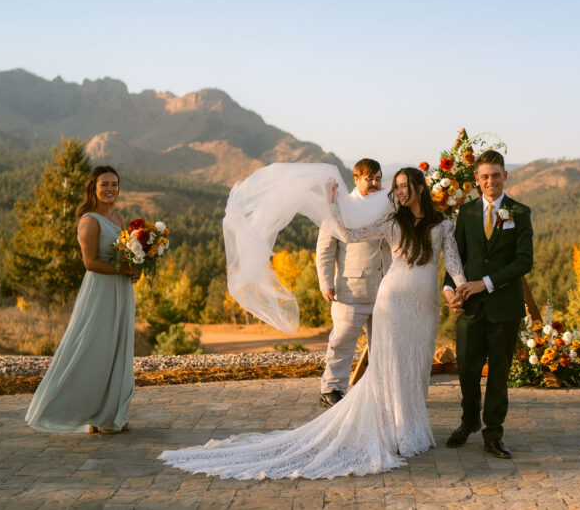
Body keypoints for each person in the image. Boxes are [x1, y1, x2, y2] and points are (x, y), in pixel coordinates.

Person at [159, 166, 468, 479]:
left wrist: (461, 290)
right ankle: (396, 431)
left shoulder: (442, 224)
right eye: (397, 187)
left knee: (416, 364)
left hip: (425, 306)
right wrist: (332, 205)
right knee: (390, 365)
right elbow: (349, 234)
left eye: (405, 186)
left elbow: (454, 263)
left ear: (420, 187)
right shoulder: (391, 220)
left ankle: (414, 426)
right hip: (393, 301)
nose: (400, 192)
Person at [26, 166, 141, 434]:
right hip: (100, 291)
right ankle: (74, 410)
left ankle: (108, 415)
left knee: (116, 349)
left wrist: (135, 270)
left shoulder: (119, 218)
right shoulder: (89, 221)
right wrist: (125, 270)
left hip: (121, 291)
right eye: (104, 184)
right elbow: (90, 263)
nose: (110, 189)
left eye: (114, 184)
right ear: (93, 188)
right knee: (93, 349)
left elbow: (124, 257)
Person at [444, 150, 533, 459]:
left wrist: (485, 283)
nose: (490, 181)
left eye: (496, 175)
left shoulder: (519, 213)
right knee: (467, 371)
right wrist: (448, 290)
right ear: (477, 180)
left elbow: (524, 261)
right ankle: (469, 421)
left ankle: (493, 433)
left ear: (505, 175)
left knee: (498, 373)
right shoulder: (466, 213)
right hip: (469, 308)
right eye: (484, 176)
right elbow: (455, 258)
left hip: (504, 308)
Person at [315, 158, 391, 407]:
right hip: (351, 290)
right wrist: (326, 282)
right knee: (342, 341)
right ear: (356, 178)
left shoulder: (388, 205)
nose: (375, 183)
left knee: (381, 345)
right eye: (369, 179)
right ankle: (332, 389)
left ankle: (379, 389)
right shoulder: (339, 205)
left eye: (378, 178)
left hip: (385, 289)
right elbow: (325, 249)